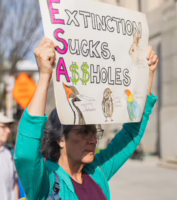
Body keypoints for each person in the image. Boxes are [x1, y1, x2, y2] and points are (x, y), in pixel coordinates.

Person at [14, 38, 158, 200]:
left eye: (94, 132)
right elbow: (26, 155)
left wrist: (147, 74)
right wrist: (45, 75)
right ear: (60, 139)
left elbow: (131, 134)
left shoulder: (98, 172)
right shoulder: (45, 181)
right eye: (83, 132)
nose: (93, 140)